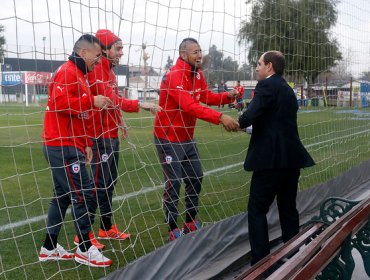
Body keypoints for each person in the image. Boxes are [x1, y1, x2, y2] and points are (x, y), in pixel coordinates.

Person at [73, 29, 161, 248]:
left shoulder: (110, 72)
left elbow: (113, 102)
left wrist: (119, 120)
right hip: (97, 137)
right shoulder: (94, 70)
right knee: (95, 186)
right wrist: (140, 104)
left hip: (111, 136)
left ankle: (106, 227)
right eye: (118, 48)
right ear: (104, 49)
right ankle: (83, 235)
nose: (122, 52)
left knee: (109, 184)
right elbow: (111, 99)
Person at [153, 37, 239, 241]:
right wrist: (220, 117)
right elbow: (190, 106)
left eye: (200, 51)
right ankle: (172, 228)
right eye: (195, 52)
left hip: (187, 138)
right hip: (168, 138)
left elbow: (206, 96)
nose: (199, 55)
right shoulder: (174, 75)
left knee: (196, 177)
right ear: (183, 55)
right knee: (173, 183)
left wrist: (228, 96)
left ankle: (190, 221)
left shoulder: (197, 74)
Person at [39, 34, 113, 267]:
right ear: (83, 53)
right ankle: (84, 248)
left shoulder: (81, 76)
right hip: (60, 145)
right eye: (97, 55)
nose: (99, 60)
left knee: (62, 197)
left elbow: (81, 117)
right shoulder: (67, 72)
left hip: (72, 145)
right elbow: (60, 103)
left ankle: (49, 247)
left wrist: (87, 144)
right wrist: (92, 101)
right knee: (84, 193)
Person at [238, 51, 315, 265]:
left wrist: (239, 121)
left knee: (256, 210)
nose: (256, 68)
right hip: (291, 160)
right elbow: (274, 124)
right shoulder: (287, 89)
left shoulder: (266, 86)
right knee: (288, 209)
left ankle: (260, 263)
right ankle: (295, 255)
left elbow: (249, 117)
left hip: (270, 161)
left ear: (269, 66)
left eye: (259, 64)